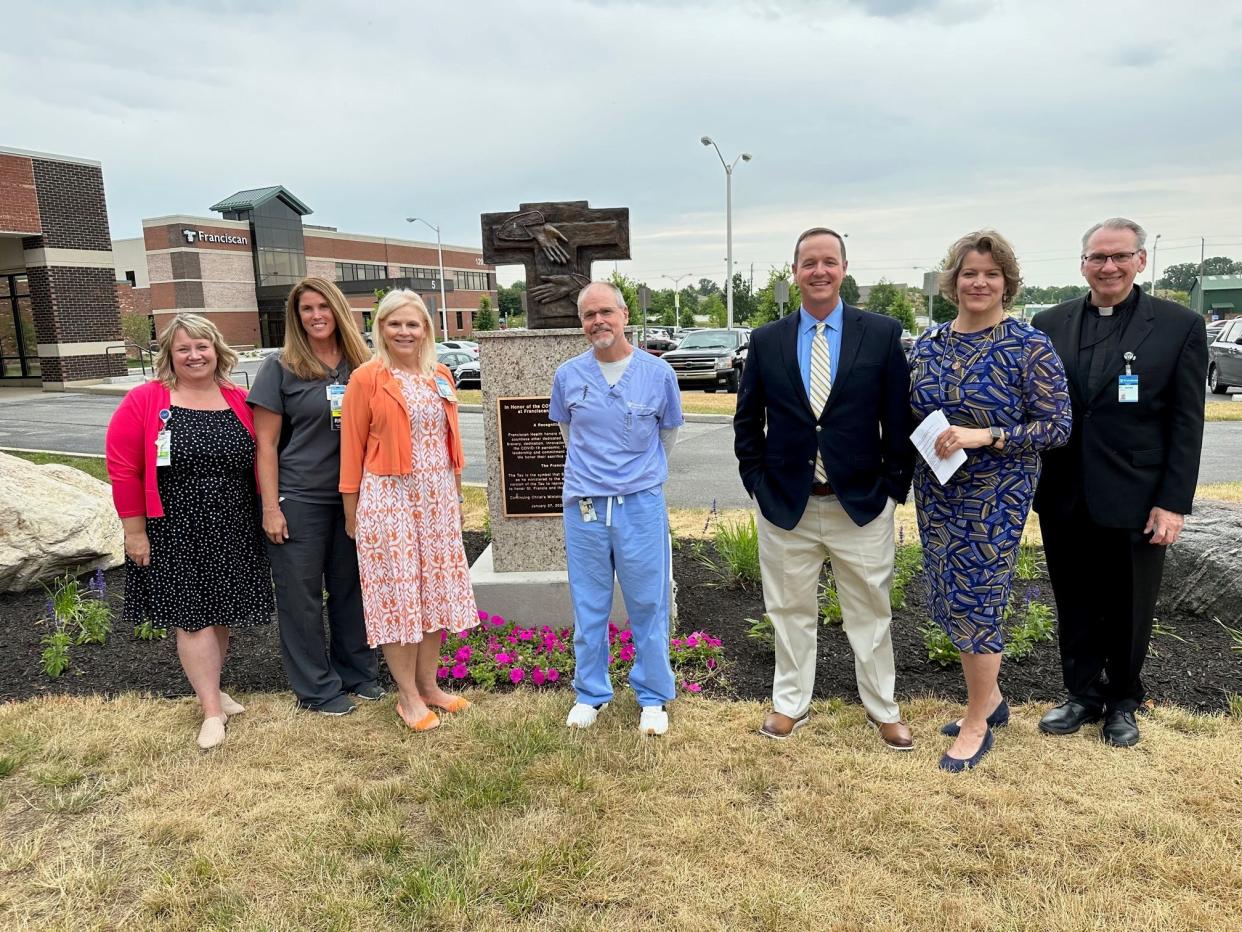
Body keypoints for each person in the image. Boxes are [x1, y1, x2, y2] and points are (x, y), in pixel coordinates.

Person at [734, 228, 915, 748]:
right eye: (808, 263)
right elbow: (748, 422)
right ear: (795, 272)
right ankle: (790, 703)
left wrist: (891, 489)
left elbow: (896, 420)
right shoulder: (768, 339)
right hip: (787, 505)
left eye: (828, 262)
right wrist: (757, 484)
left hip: (859, 504)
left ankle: (882, 708)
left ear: (844, 268)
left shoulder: (879, 333)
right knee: (789, 611)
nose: (819, 271)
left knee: (871, 613)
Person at [1032, 218, 1208, 747]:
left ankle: (1123, 701)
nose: (1108, 267)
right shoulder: (1049, 322)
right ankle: (1081, 693)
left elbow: (1186, 422)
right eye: (1097, 257)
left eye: (1119, 256)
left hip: (1137, 496)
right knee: (1075, 598)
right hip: (1065, 492)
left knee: (1130, 603)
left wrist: (1172, 503)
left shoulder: (1178, 325)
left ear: (1140, 260)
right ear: (1082, 262)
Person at [909, 231, 1071, 772]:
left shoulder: (1028, 345)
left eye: (991, 274)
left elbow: (1057, 426)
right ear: (951, 281)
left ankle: (978, 721)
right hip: (936, 488)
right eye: (969, 273)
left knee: (978, 597)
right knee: (950, 594)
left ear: (1007, 283)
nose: (979, 282)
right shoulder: (930, 342)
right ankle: (993, 700)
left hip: (997, 493)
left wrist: (987, 435)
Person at [105, 313, 273, 750]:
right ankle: (211, 712)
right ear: (169, 355)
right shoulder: (146, 400)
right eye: (184, 348)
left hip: (233, 524)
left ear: (216, 350)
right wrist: (134, 532)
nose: (194, 355)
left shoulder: (238, 398)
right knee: (192, 616)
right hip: (173, 527)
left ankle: (213, 689)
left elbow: (262, 456)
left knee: (219, 612)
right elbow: (124, 469)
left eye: (202, 346)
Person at [339, 289, 477, 732]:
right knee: (398, 598)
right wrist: (352, 512)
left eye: (412, 324)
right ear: (380, 328)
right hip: (388, 499)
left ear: (426, 330)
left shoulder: (440, 374)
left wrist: (454, 498)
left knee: (434, 594)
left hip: (436, 501)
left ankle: (429, 686)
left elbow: (449, 443)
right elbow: (351, 450)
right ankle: (407, 696)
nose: (404, 331)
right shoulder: (366, 378)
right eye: (394, 323)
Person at [550, 282, 684, 736]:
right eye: (589, 315)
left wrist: (633, 476)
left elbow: (667, 437)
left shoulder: (657, 373)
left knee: (648, 601)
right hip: (585, 505)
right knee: (589, 603)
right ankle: (590, 693)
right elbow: (570, 435)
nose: (597, 322)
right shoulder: (569, 375)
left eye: (605, 311)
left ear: (624, 314)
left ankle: (652, 696)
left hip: (639, 505)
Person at [249, 277, 380, 716]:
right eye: (307, 308)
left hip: (354, 499)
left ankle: (357, 673)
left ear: (339, 309)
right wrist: (271, 508)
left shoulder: (362, 365)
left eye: (324, 306)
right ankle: (317, 689)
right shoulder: (280, 367)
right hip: (299, 498)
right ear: (296, 316)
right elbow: (265, 445)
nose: (316, 315)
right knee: (301, 597)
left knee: (351, 590)